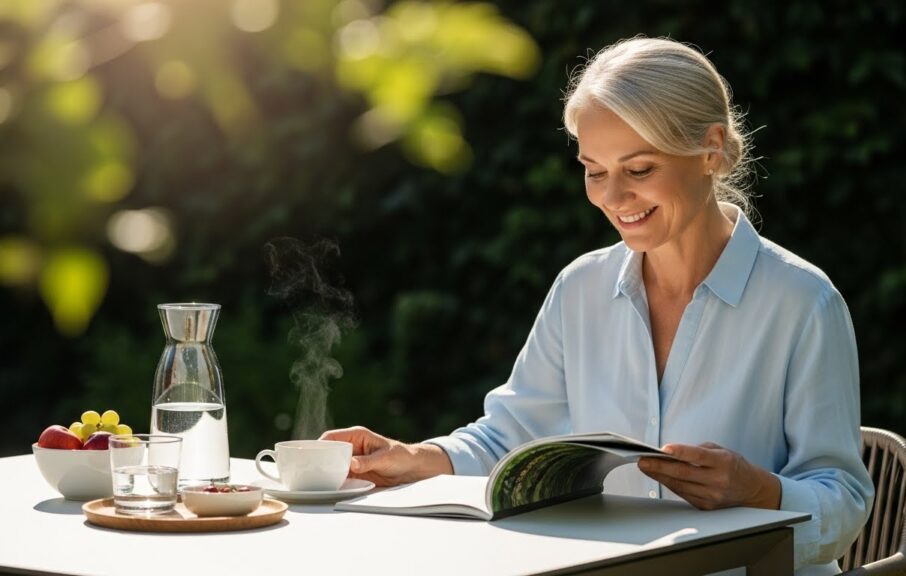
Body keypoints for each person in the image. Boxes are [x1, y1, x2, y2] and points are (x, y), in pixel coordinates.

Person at [322, 37, 873, 575]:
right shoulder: (579, 288)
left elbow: (844, 501)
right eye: (594, 170)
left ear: (710, 150)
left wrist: (761, 491)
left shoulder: (803, 302)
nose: (612, 198)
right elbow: (509, 437)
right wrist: (415, 457)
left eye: (638, 170)